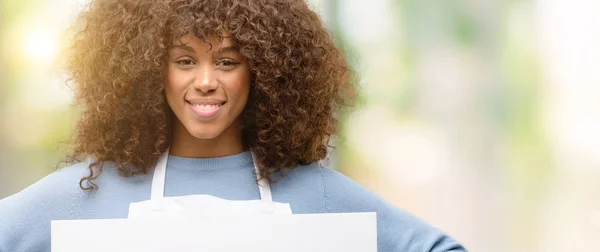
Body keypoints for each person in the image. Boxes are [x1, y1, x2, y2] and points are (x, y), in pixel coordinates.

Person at [0, 0, 467, 251]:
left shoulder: (317, 194)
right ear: (149, 70)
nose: (205, 81)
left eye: (227, 61)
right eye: (185, 60)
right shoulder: (84, 196)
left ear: (262, 71)